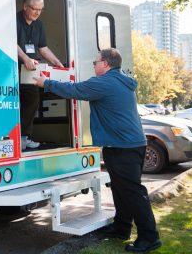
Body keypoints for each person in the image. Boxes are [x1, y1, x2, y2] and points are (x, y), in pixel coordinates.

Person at [33, 48, 161, 253]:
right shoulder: (121, 80)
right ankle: (122, 227)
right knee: (120, 189)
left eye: (95, 62)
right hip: (128, 144)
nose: (93, 65)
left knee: (133, 192)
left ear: (106, 64)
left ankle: (149, 237)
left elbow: (74, 90)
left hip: (123, 146)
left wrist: (45, 83)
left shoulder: (104, 83)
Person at [17, 0, 63, 150]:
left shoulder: (39, 25)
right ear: (25, 7)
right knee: (13, 103)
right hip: (14, 67)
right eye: (34, 8)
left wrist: (57, 63)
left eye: (40, 9)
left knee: (33, 100)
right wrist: (24, 58)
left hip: (31, 69)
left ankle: (25, 137)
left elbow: (43, 48)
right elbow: (11, 42)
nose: (37, 12)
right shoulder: (14, 21)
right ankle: (15, 138)